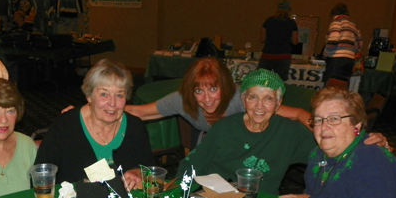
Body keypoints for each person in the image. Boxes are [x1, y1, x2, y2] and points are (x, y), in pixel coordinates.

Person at [176, 68, 316, 195]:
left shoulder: (290, 133)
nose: (259, 106)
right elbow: (191, 164)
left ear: (278, 103)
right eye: (253, 97)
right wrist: (181, 197)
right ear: (243, 100)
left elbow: (328, 157)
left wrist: (313, 197)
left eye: (268, 98)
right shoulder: (225, 127)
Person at [35, 59, 154, 190]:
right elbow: (41, 175)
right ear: (89, 96)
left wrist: (138, 172)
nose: (112, 103)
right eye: (104, 94)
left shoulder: (135, 127)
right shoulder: (66, 126)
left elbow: (148, 170)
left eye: (119, 95)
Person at [126, 57, 313, 137]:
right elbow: (139, 112)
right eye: (199, 91)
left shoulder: (240, 97)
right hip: (208, 142)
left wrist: (324, 133)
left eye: (213, 89)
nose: (207, 98)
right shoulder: (182, 99)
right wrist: (99, 108)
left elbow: (298, 113)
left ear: (224, 86)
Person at [257, 0, 298, 81]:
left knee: (261, 80)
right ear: (289, 10)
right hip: (283, 56)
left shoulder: (268, 21)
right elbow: (295, 41)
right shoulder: (291, 23)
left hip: (268, 54)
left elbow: (262, 39)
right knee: (280, 82)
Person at [322, 3, 362, 85]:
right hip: (349, 60)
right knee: (342, 86)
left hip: (336, 59)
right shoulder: (353, 25)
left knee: (330, 86)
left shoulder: (337, 21)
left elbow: (333, 40)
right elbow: (359, 45)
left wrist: (325, 54)